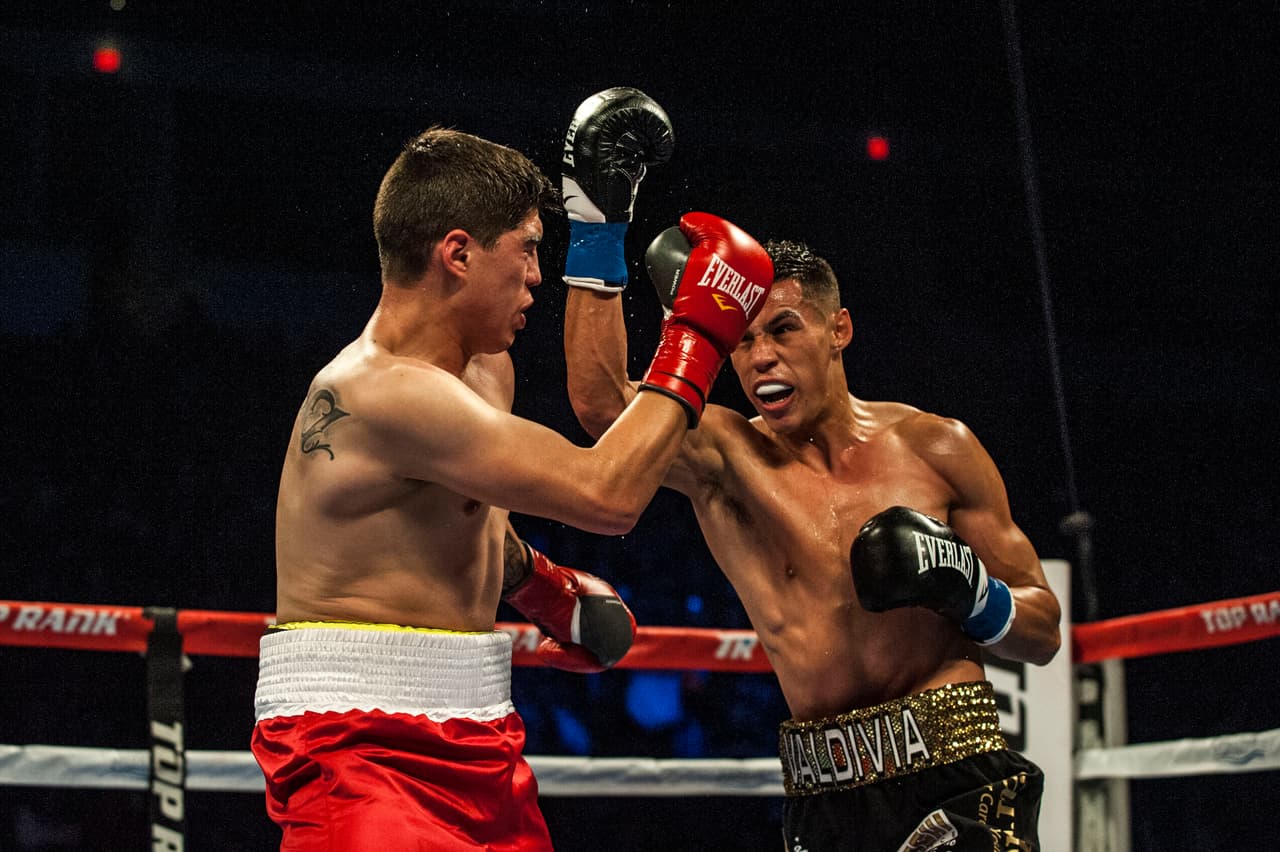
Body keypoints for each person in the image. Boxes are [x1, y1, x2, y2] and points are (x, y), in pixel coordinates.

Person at [251, 106, 775, 851]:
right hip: (357, 749)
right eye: (528, 250)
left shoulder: (485, 369)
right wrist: (700, 333)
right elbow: (607, 494)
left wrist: (540, 586)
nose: (536, 275)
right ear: (458, 254)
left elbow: (456, 518)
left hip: (480, 732)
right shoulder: (380, 392)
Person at [562, 114, 1062, 850]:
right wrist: (597, 225)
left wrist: (972, 590)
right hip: (824, 799)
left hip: (958, 771)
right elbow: (604, 405)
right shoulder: (727, 457)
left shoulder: (938, 447)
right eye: (742, 340)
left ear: (839, 330)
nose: (760, 356)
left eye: (784, 329)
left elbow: (1043, 633)